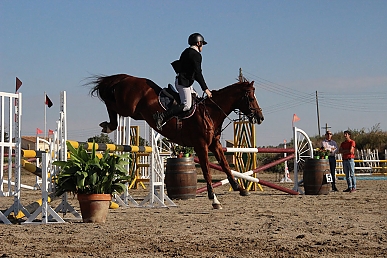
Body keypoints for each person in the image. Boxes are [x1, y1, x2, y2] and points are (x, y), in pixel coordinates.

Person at [154, 33, 212, 130]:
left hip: (185, 82)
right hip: (183, 83)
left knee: (197, 99)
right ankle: (162, 116)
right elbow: (198, 73)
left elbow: (193, 74)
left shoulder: (186, 51)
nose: (202, 47)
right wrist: (205, 89)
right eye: (202, 44)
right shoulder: (196, 55)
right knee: (186, 105)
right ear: (198, 43)